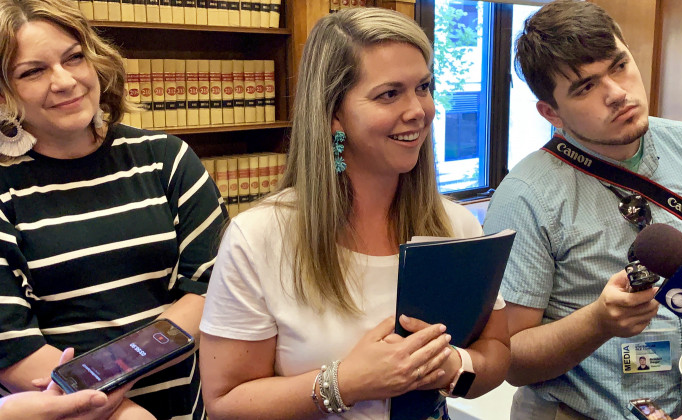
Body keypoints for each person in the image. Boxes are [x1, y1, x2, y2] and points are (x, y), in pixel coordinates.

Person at [199, 7, 511, 420]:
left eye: (423, 87)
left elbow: (496, 355)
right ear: (333, 116)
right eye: (389, 93)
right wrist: (345, 383)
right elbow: (226, 403)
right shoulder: (258, 238)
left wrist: (454, 367)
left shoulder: (457, 226)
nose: (419, 109)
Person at [482, 0, 682, 418]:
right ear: (551, 113)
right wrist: (598, 322)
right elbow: (509, 357)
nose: (618, 93)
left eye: (619, 65)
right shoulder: (525, 197)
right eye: (585, 87)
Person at [0, 0, 227, 418]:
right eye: (33, 71)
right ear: (3, 92)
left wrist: (108, 382)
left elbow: (209, 289)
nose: (65, 81)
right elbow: (11, 346)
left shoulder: (168, 159)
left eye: (74, 58)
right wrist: (120, 410)